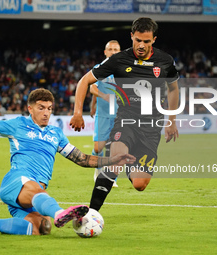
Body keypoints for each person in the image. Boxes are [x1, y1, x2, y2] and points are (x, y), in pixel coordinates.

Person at [0, 88, 135, 236]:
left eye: (49, 108)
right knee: (40, 194)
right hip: (17, 182)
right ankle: (59, 213)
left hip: (33, 193)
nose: (46, 112)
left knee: (40, 229)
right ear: (30, 109)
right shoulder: (17, 124)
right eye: (41, 108)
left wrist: (112, 159)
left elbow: (81, 159)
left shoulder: (56, 134)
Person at [70, 17, 180, 211]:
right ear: (131, 36)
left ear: (154, 39)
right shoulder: (119, 60)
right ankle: (91, 214)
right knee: (115, 160)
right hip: (126, 120)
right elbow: (84, 81)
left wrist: (172, 121)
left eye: (146, 41)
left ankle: (129, 163)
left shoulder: (165, 61)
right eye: (138, 40)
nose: (141, 45)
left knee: (139, 184)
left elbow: (173, 89)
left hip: (151, 128)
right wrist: (77, 112)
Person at [89, 40, 121, 187]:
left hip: (119, 115)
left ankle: (110, 178)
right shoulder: (99, 68)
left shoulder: (124, 71)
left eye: (116, 50)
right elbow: (92, 88)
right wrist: (96, 102)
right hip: (103, 114)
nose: (113, 52)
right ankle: (98, 170)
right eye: (110, 49)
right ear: (105, 52)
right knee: (98, 148)